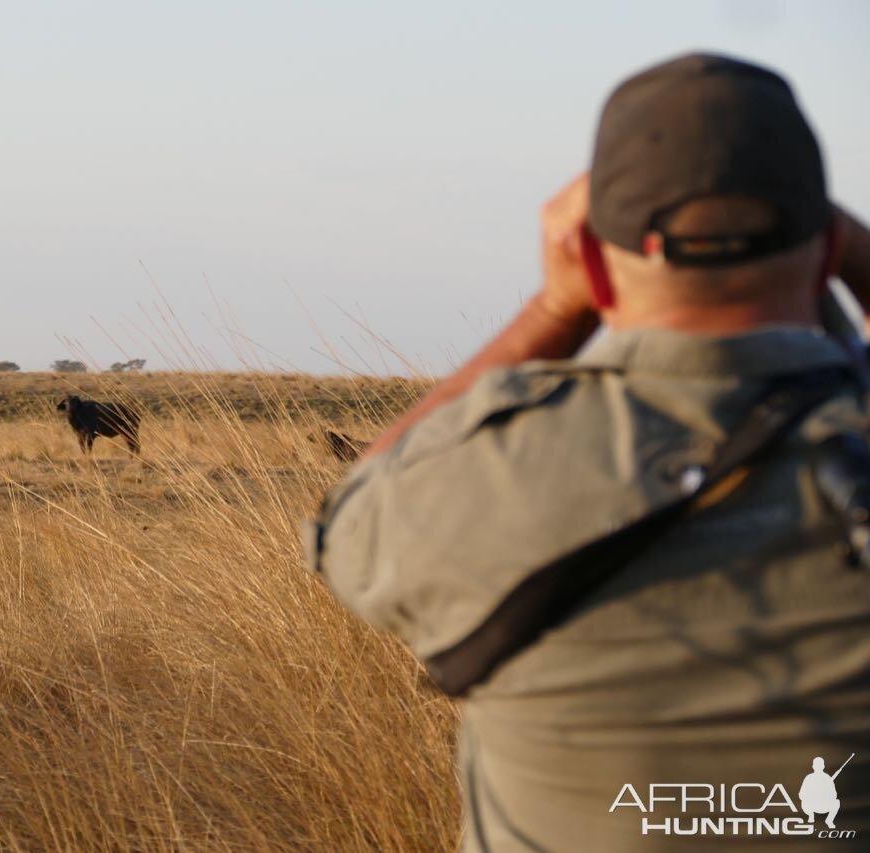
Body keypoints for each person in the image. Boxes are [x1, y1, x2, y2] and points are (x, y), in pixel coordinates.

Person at [308, 53, 870, 851]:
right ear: (825, 252)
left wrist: (554, 308)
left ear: (596, 265)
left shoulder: (484, 479)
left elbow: (349, 512)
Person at [800, 757, 840, 829]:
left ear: (813, 766)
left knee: (836, 802)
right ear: (823, 766)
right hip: (813, 806)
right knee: (837, 802)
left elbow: (801, 795)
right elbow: (834, 795)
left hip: (816, 806)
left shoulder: (809, 777)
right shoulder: (826, 778)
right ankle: (813, 816)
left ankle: (817, 817)